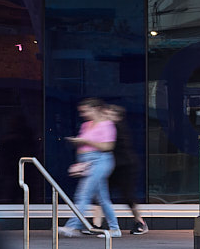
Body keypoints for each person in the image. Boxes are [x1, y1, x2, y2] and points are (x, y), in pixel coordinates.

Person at [63, 100, 122, 238]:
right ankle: (115, 229)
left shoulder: (107, 125)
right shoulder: (86, 125)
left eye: (86, 111)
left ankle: (72, 226)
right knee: (103, 198)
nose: (83, 114)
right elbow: (83, 146)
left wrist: (85, 141)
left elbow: (107, 147)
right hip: (87, 162)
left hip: (101, 161)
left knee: (83, 194)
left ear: (96, 109)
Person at [104, 104, 150, 235]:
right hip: (117, 166)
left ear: (117, 116)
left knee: (128, 196)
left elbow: (109, 146)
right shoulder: (111, 127)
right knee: (102, 193)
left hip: (125, 167)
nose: (107, 117)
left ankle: (140, 222)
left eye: (110, 114)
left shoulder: (117, 128)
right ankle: (96, 223)